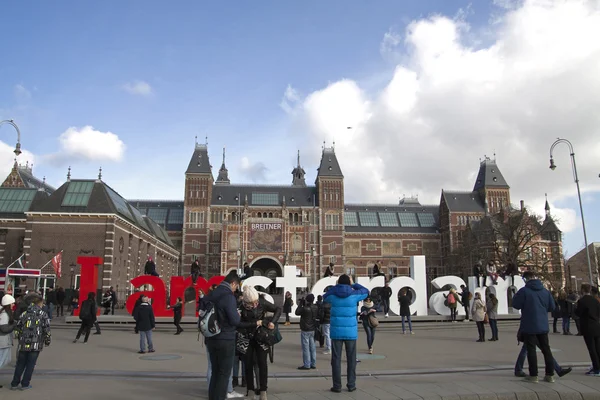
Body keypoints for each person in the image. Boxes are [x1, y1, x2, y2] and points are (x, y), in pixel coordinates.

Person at [323, 274, 369, 393]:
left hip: (336, 332)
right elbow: (366, 291)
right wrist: (353, 284)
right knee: (351, 359)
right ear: (349, 282)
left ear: (338, 282)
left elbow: (325, 296)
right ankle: (351, 385)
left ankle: (337, 386)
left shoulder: (333, 294)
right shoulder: (354, 295)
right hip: (350, 332)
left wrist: (336, 286)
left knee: (336, 359)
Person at [202, 271, 241, 400]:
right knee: (224, 374)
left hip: (211, 337)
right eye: (236, 286)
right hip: (225, 339)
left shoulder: (212, 293)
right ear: (233, 283)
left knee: (215, 374)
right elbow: (234, 321)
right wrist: (238, 315)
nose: (236, 289)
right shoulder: (228, 296)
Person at [237, 285, 281, 400]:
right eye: (251, 303)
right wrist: (255, 323)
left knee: (262, 364)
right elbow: (239, 324)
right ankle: (250, 391)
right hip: (246, 337)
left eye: (255, 302)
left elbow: (278, 309)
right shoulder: (240, 306)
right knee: (248, 364)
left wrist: (273, 322)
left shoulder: (262, 302)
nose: (254, 304)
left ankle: (263, 391)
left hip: (261, 337)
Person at [512, 271, 556, 383]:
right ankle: (550, 374)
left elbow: (516, 305)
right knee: (546, 349)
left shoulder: (524, 291)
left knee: (531, 350)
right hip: (543, 324)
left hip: (529, 324)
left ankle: (534, 375)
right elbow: (552, 307)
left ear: (526, 279)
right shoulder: (545, 291)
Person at [11, 295, 51, 390]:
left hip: (24, 343)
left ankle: (14, 383)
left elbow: (17, 328)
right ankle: (25, 384)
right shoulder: (43, 314)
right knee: (30, 364)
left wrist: (20, 336)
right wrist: (47, 340)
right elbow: (46, 329)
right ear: (39, 303)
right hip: (35, 343)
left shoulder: (24, 313)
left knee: (20, 363)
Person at [575, 283, 600, 376]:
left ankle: (596, 368)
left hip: (587, 327)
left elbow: (578, 313)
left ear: (582, 290)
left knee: (592, 349)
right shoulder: (595, 300)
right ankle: (598, 367)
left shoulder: (582, 301)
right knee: (598, 348)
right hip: (596, 326)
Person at [296, 294, 318, 370]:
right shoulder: (315, 307)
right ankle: (313, 363)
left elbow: (297, 312)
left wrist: (300, 304)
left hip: (305, 329)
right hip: (312, 329)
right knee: (312, 347)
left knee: (306, 348)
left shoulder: (305, 308)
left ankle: (307, 364)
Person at [0, 294, 16, 388]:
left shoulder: (3, 313)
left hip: (4, 341)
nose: (13, 305)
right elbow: (4, 329)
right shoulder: (5, 315)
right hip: (3, 341)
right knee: (3, 360)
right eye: (12, 303)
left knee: (5, 360)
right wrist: (14, 325)